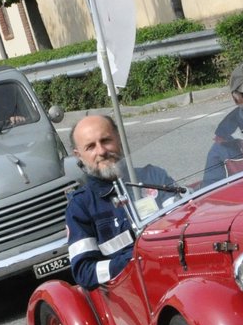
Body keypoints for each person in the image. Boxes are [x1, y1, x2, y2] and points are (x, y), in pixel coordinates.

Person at [65, 115, 176, 289]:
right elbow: (84, 271)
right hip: (130, 291)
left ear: (119, 140)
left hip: (175, 269)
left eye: (106, 140)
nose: (101, 151)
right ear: (79, 156)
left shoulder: (153, 177)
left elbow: (184, 223)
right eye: (91, 146)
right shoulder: (80, 206)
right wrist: (134, 259)